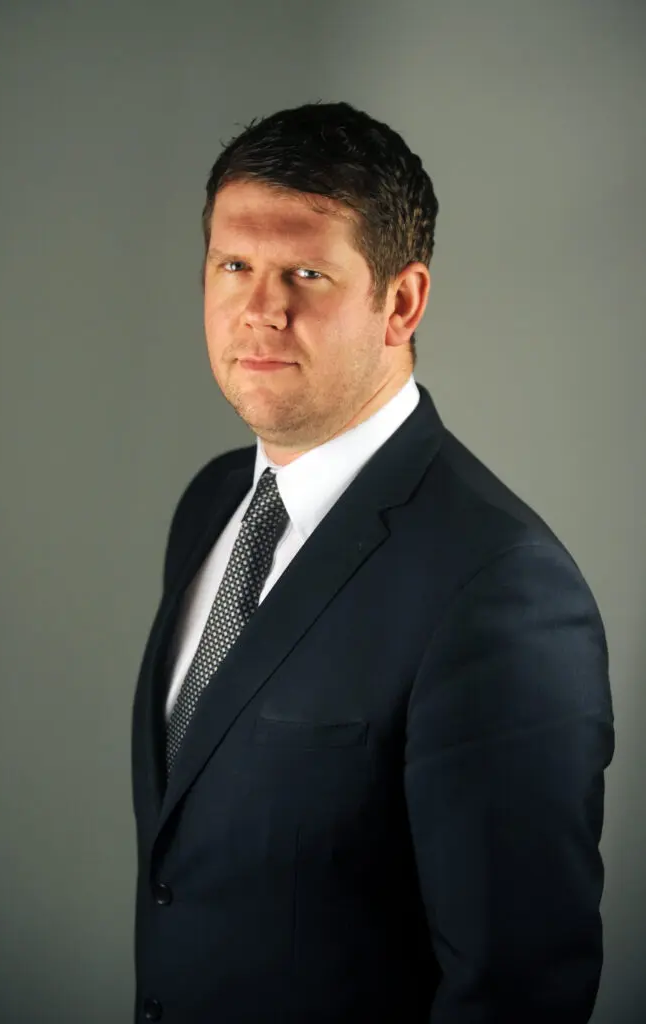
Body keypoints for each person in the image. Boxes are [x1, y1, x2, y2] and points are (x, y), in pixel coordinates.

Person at [131, 100, 614, 1024]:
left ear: (401, 302)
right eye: (234, 266)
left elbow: (519, 990)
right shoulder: (212, 504)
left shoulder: (501, 590)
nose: (259, 309)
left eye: (306, 273)